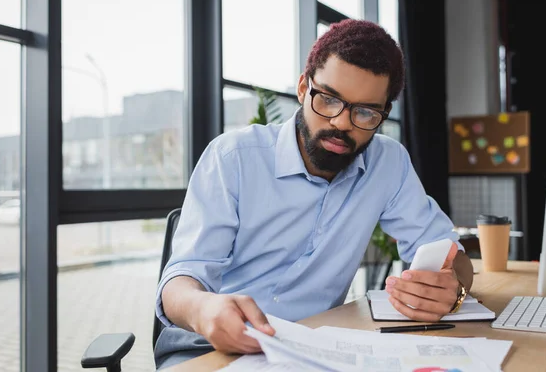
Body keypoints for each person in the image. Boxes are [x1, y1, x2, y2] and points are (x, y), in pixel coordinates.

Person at [154, 19, 474, 369]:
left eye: (365, 112)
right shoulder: (233, 158)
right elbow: (179, 286)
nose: (341, 122)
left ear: (383, 114)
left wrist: (452, 289)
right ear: (304, 87)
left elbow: (450, 254)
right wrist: (203, 309)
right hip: (211, 346)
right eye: (329, 99)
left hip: (314, 348)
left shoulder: (389, 164)